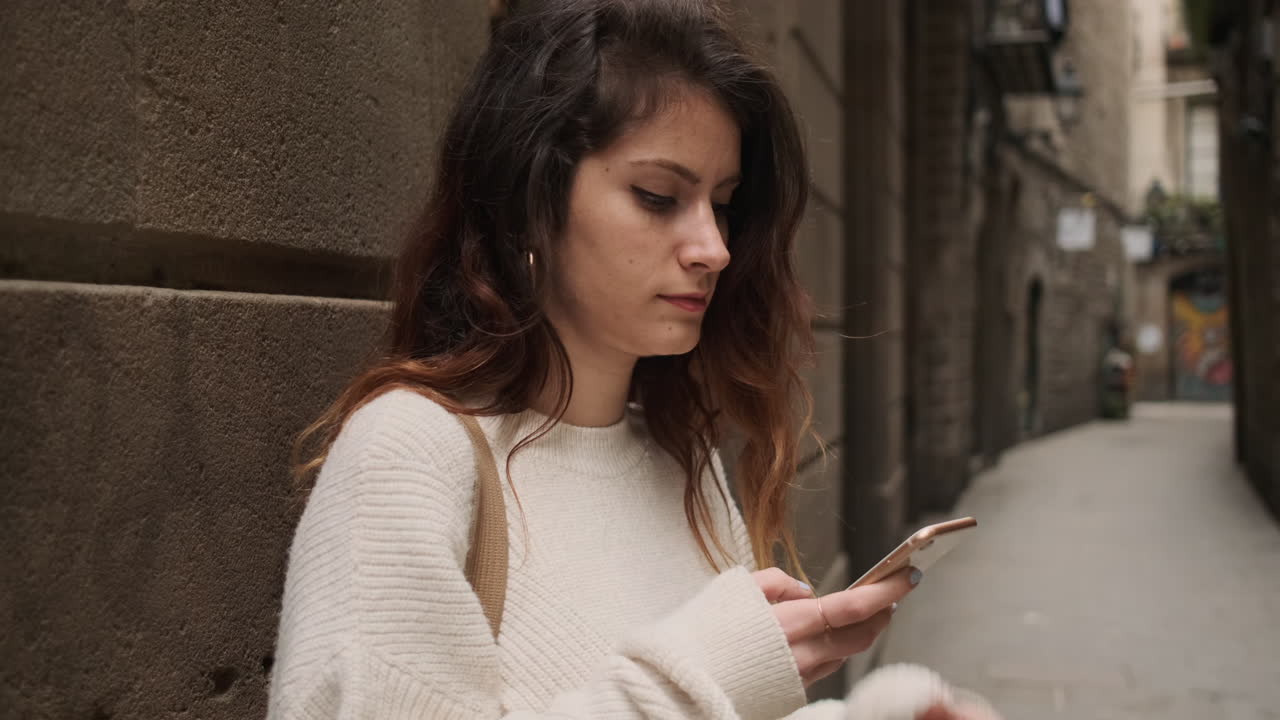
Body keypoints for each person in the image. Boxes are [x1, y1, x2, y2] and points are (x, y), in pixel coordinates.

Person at [266, 1, 999, 718]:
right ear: (530, 202)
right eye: (658, 196)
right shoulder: (406, 452)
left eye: (722, 203)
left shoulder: (681, 458)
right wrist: (694, 680)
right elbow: (700, 691)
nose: (713, 248)